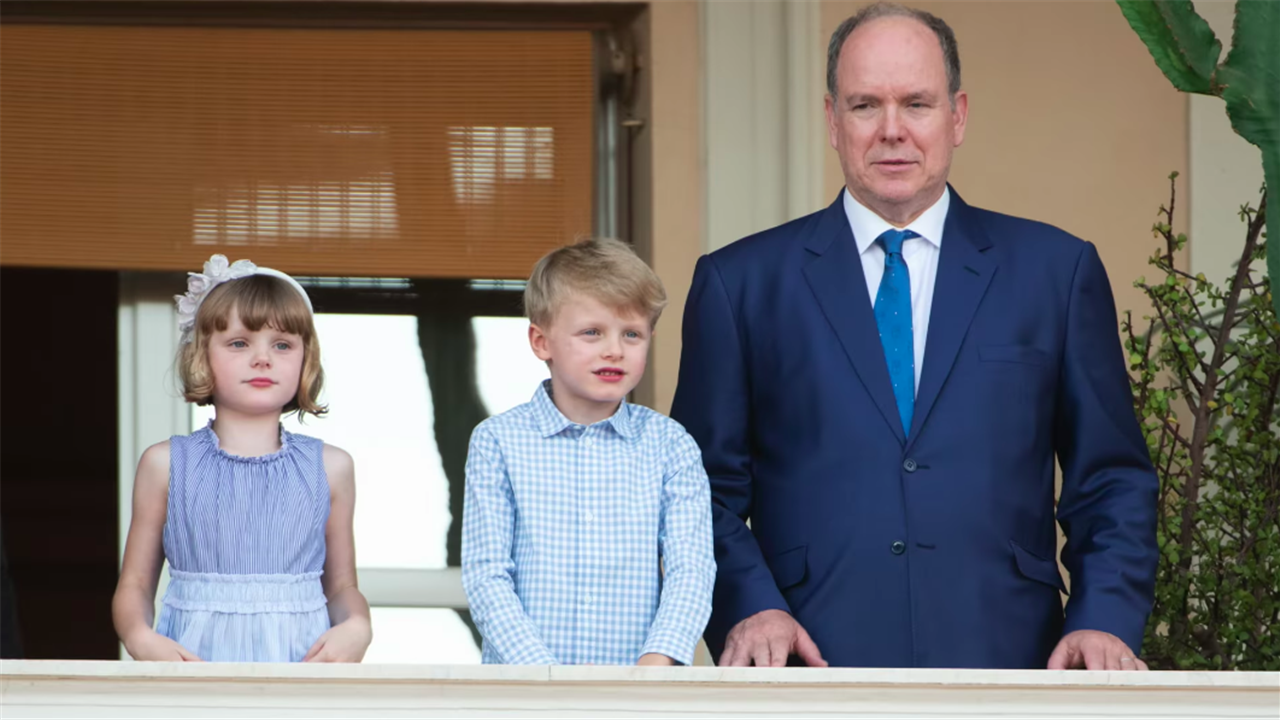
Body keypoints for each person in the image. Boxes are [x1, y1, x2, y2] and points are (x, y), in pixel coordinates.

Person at [670, 2, 1158, 670]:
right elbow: (697, 491)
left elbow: (1111, 479)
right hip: (807, 673)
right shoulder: (739, 284)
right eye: (866, 105)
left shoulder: (1055, 270)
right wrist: (751, 606)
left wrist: (1104, 619)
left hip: (1011, 666)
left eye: (917, 104)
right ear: (832, 121)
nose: (892, 131)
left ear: (957, 116)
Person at [462, 237, 715, 665]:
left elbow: (691, 571)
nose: (614, 349)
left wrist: (656, 664)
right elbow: (487, 575)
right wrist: (544, 678)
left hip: (639, 697)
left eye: (632, 333)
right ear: (541, 342)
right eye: (592, 332)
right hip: (526, 697)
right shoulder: (497, 442)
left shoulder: (672, 447)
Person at [113, 255, 372, 662]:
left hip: (300, 672)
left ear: (306, 359)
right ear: (202, 354)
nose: (262, 358)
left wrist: (357, 626)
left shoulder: (331, 467)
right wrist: (139, 637)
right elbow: (135, 585)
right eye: (239, 342)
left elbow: (341, 587)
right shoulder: (166, 464)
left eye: (282, 344)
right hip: (194, 673)